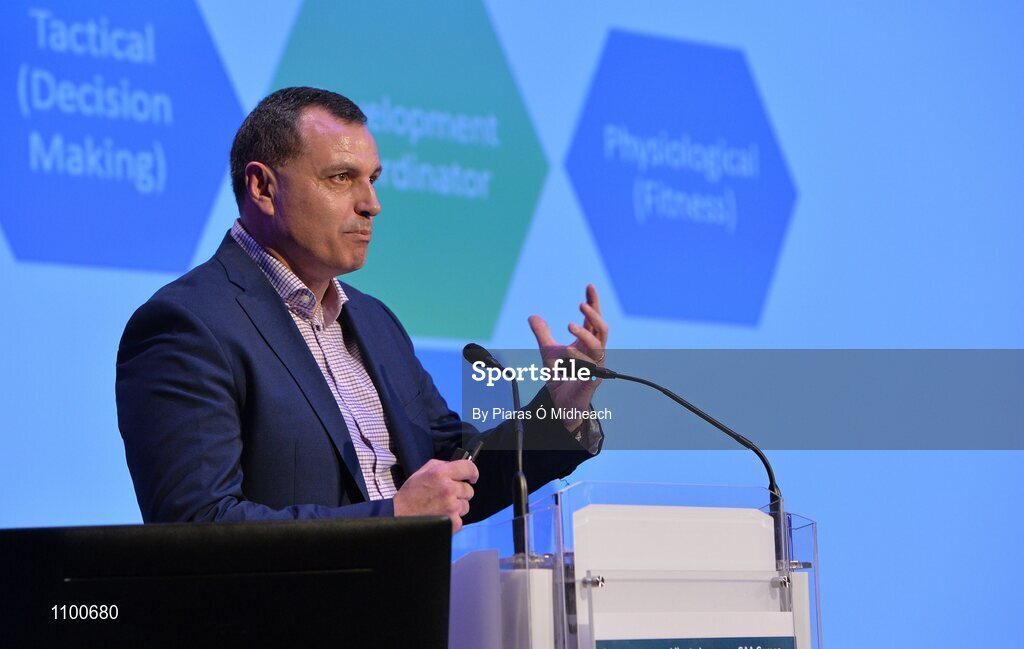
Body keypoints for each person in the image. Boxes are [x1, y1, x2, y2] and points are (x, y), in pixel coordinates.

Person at [116, 87, 608, 532]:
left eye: (372, 179)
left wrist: (560, 410)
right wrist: (392, 516)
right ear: (263, 188)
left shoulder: (375, 323)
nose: (371, 204)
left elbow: (458, 473)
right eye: (341, 178)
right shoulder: (188, 326)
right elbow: (198, 526)